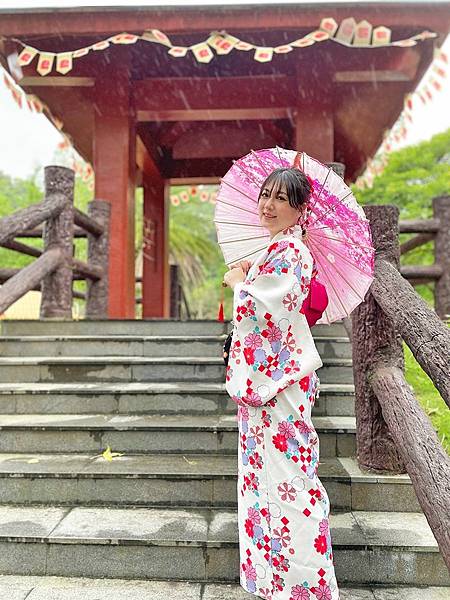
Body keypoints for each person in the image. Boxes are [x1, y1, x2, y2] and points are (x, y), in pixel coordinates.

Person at [223, 167, 340, 600]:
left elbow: (267, 313)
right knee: (262, 477)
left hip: (280, 380)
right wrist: (253, 272)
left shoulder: (291, 252)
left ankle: (305, 586)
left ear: (301, 208)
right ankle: (272, 579)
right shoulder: (278, 250)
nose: (268, 205)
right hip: (269, 379)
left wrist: (240, 283)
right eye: (265, 195)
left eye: (282, 199)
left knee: (290, 478)